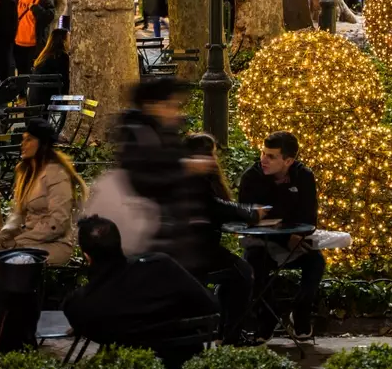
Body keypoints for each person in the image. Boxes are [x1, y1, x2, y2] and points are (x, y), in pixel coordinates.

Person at [86, 77, 263, 274]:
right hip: (158, 246)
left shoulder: (162, 136)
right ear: (152, 106)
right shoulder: (141, 136)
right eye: (171, 105)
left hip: (175, 245)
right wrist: (185, 168)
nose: (176, 111)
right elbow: (145, 180)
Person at [63, 215, 219, 369]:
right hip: (183, 368)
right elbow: (208, 305)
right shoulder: (161, 265)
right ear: (119, 243)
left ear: (87, 256)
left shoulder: (80, 306)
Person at [238, 131, 326, 340]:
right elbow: (249, 219)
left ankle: (300, 313)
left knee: (316, 263)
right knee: (253, 263)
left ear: (288, 160)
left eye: (271, 156)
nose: (263, 160)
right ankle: (267, 319)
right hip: (262, 241)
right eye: (263, 153)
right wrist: (284, 237)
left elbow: (308, 217)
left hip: (296, 240)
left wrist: (293, 235)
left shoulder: (303, 176)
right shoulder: (252, 178)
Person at [0, 118, 86, 265]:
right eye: (23, 139)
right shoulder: (26, 174)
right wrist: (1, 238)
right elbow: (18, 214)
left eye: (29, 140)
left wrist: (21, 241)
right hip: (26, 241)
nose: (22, 144)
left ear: (42, 144)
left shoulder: (57, 174)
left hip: (53, 245)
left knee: (5, 265)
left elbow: (58, 221)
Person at [184, 133, 256, 344]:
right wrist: (250, 213)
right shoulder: (192, 183)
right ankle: (231, 335)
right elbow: (215, 206)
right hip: (196, 253)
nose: (212, 160)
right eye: (207, 155)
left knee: (234, 275)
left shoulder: (197, 181)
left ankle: (225, 332)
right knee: (243, 273)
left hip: (197, 250)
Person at [13, 0, 55, 76]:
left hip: (34, 45)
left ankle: (32, 92)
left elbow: (50, 16)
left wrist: (37, 9)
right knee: (21, 73)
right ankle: (22, 92)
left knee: (33, 72)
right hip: (18, 43)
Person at [27, 21, 70, 106]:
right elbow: (65, 83)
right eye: (69, 38)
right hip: (50, 102)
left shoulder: (43, 56)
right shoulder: (61, 56)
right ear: (63, 41)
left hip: (35, 101)